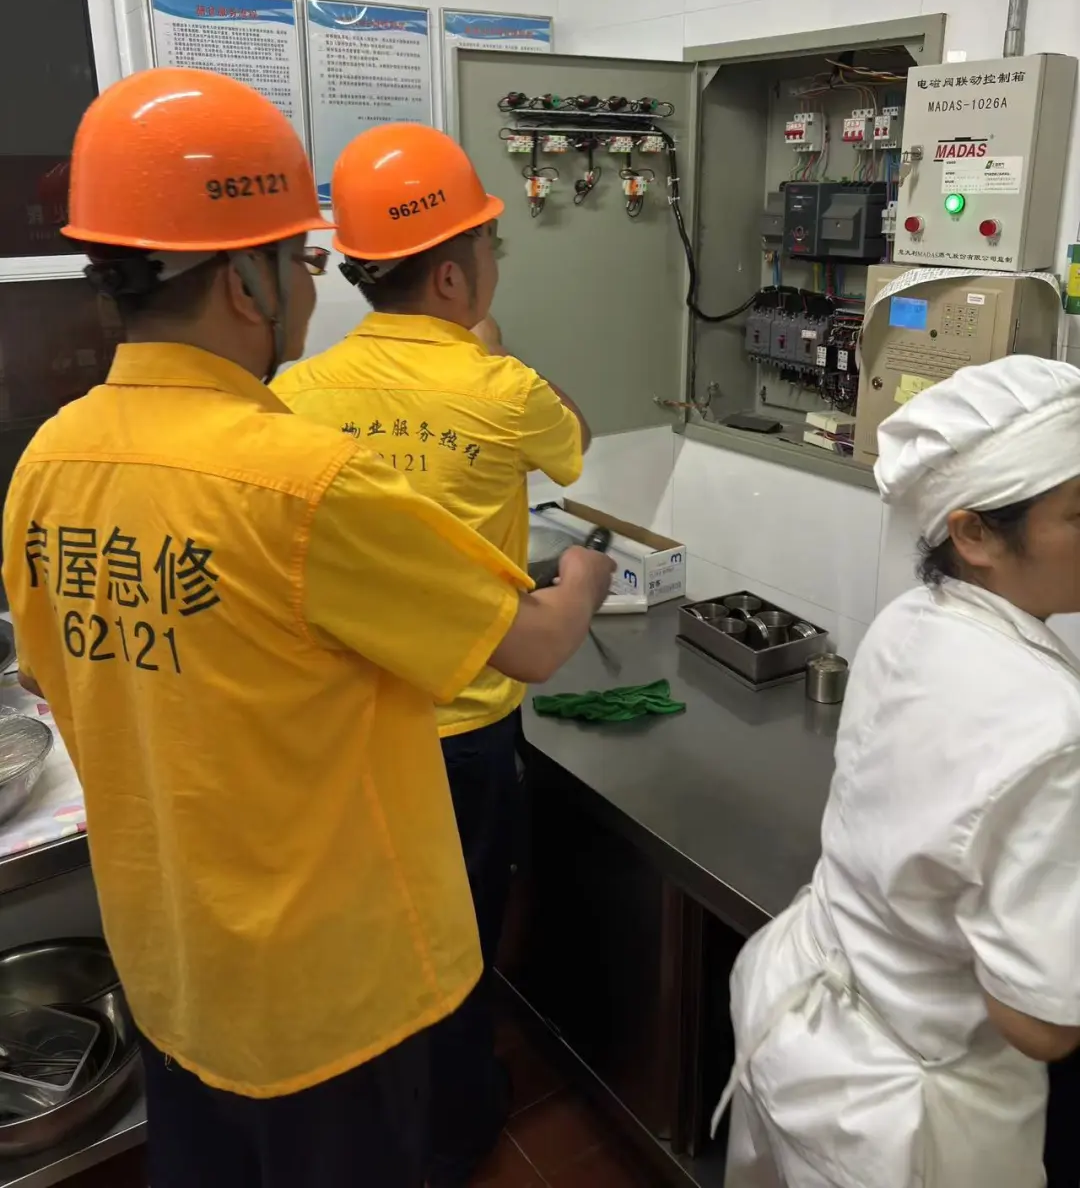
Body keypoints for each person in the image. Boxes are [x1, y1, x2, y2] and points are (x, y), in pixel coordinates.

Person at [0, 69, 614, 1188]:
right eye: (301, 264)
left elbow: (55, 677)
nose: (306, 287)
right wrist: (585, 575)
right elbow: (528, 644)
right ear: (247, 280)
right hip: (333, 996)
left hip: (175, 968)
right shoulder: (305, 481)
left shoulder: (48, 460)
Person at [274, 122, 589, 1186]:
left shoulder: (298, 393)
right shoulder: (503, 390)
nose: (495, 262)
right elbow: (573, 446)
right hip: (466, 726)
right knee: (459, 941)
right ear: (453, 274)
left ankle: (376, 1134)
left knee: (369, 943)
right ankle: (454, 1131)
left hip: (350, 731)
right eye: (490, 245)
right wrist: (491, 353)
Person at [717, 355, 1080, 1188]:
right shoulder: (1052, 726)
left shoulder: (912, 617)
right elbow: (1039, 1025)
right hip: (905, 1117)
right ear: (974, 533)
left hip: (801, 1023)